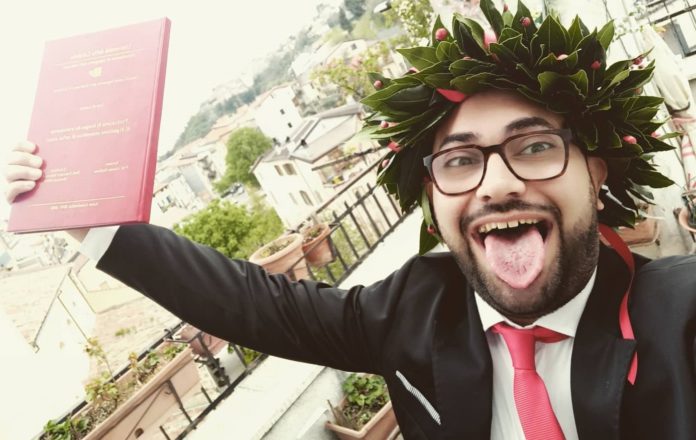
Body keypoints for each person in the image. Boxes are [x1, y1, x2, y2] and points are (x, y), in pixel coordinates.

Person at [5, 1, 696, 439]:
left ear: (596, 172)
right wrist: (84, 214)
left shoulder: (679, 313)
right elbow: (252, 304)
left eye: (535, 148)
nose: (500, 183)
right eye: (459, 161)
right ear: (432, 198)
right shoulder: (413, 310)